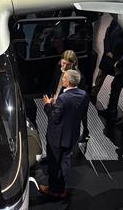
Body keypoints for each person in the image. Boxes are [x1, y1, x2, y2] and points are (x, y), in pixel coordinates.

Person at [38, 69, 88, 199]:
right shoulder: (83, 94)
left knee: (54, 164)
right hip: (71, 135)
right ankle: (61, 189)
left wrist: (48, 105)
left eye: (64, 78)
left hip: (57, 138)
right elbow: (79, 112)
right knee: (65, 162)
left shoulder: (63, 98)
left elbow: (54, 118)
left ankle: (53, 190)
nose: (62, 79)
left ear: (69, 82)